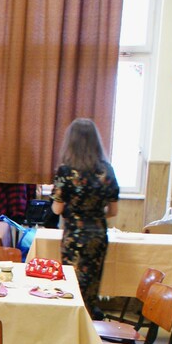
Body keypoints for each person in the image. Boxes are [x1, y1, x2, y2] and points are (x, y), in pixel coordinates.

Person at [51, 118, 119, 318]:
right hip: (98, 236)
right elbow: (113, 211)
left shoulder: (66, 171)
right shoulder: (107, 170)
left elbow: (57, 209)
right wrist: (94, 212)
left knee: (72, 286)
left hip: (74, 236)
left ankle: (74, 326)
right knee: (91, 287)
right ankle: (89, 324)